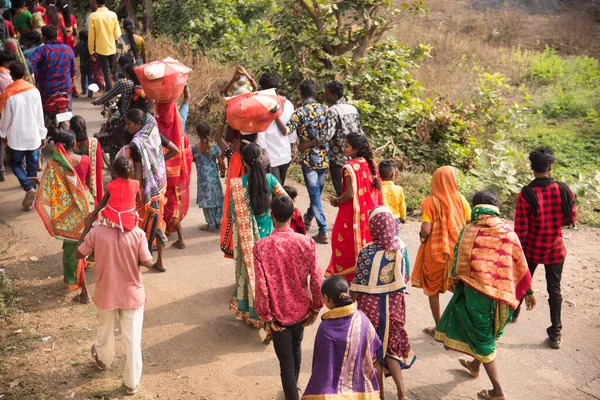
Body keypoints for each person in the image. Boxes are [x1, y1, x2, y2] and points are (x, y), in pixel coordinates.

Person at [435, 190, 537, 400]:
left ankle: (498, 391)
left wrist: (455, 285)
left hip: (477, 296)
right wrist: (529, 292)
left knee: (483, 340)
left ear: (475, 208)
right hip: (504, 298)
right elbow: (520, 263)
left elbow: (458, 264)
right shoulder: (508, 233)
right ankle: (474, 364)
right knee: (488, 334)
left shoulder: (469, 231)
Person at [75, 201, 153, 396]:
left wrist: (86, 227)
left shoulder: (97, 232)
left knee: (105, 330)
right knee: (132, 338)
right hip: (132, 295)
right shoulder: (137, 233)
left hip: (106, 293)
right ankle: (131, 383)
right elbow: (148, 263)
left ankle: (103, 360)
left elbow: (78, 253)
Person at [253, 195, 323, 400]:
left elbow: (261, 287)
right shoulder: (306, 242)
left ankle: (292, 391)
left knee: (286, 362)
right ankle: (294, 386)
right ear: (293, 215)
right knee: (296, 348)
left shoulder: (261, 247)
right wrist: (316, 307)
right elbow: (317, 279)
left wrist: (267, 316)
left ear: (271, 215)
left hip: (278, 316)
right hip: (301, 310)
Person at [513, 147, 576, 349]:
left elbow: (520, 231)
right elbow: (571, 218)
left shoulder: (525, 195)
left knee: (521, 281)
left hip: (531, 248)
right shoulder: (564, 189)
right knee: (554, 289)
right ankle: (556, 334)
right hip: (556, 249)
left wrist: (516, 254)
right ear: (550, 167)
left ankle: (512, 314)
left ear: (532, 168)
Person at [351, 206, 415, 400]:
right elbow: (407, 276)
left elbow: (357, 286)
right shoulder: (401, 248)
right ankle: (402, 393)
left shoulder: (365, 252)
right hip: (394, 309)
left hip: (370, 312)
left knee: (374, 352)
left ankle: (381, 396)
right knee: (392, 349)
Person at [229, 143, 287, 328]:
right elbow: (286, 201)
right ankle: (273, 312)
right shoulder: (270, 179)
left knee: (252, 274)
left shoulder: (238, 185)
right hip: (269, 234)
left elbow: (233, 214)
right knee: (270, 274)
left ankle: (254, 313)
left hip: (250, 241)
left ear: (244, 162)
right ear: (261, 159)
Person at [411, 166, 471, 335]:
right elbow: (469, 223)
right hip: (458, 253)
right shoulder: (462, 200)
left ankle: (440, 327)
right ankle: (462, 324)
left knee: (433, 290)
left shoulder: (428, 202)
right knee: (458, 289)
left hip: (436, 253)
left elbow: (426, 229)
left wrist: (422, 238)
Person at [34, 130, 93, 303]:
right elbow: (87, 186)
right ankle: (83, 285)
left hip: (68, 214)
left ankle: (83, 291)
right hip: (87, 207)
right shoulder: (86, 160)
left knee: (72, 249)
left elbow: (49, 191)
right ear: (74, 144)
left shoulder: (54, 165)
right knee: (86, 243)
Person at [302, 276, 381, 399]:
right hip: (363, 391)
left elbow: (322, 366)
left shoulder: (326, 328)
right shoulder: (363, 319)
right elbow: (372, 354)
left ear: (327, 299)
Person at [122, 108, 179, 272]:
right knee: (158, 221)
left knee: (139, 224)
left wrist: (135, 192)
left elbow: (139, 173)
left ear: (139, 124)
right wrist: (158, 164)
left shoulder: (137, 144)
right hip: (159, 186)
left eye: (129, 124)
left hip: (145, 190)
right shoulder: (154, 135)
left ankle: (138, 261)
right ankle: (160, 261)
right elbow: (174, 150)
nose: (127, 127)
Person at [325, 133, 382, 283]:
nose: (343, 149)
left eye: (346, 146)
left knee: (343, 245)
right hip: (370, 214)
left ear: (355, 149)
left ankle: (348, 281)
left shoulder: (349, 167)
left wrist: (336, 201)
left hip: (351, 214)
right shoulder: (372, 163)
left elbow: (350, 194)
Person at [286, 80, 329, 244]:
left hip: (309, 160)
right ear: (315, 93)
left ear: (301, 94)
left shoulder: (299, 112)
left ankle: (323, 230)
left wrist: (275, 117)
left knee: (315, 195)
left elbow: (287, 130)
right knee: (316, 193)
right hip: (324, 158)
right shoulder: (325, 110)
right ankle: (309, 218)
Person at [0, 61, 46, 207]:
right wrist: (42, 134)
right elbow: (40, 115)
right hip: (33, 137)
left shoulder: (9, 93)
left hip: (17, 138)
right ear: (25, 74)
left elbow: (6, 119)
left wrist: (2, 134)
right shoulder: (34, 91)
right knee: (32, 169)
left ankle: (28, 188)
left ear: (11, 75)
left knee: (15, 164)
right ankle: (31, 193)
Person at [155, 96, 193, 250]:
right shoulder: (179, 126)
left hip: (161, 173)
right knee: (173, 204)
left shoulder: (156, 125)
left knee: (160, 204)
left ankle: (162, 236)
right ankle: (180, 237)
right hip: (175, 173)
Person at [321, 80, 363, 197]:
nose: (325, 95)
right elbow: (360, 131)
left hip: (339, 158)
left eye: (327, 93)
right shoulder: (352, 108)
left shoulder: (333, 111)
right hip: (355, 156)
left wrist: (308, 143)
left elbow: (326, 136)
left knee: (342, 192)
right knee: (355, 190)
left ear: (334, 95)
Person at [256, 71, 296, 185]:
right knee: (280, 187)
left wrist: (262, 155)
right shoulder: (287, 103)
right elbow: (292, 132)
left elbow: (261, 133)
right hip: (285, 153)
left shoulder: (261, 104)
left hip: (269, 155)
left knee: (273, 189)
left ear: (262, 88)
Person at [215, 117, 246, 258]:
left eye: (236, 143)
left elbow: (217, 138)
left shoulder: (234, 158)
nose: (233, 145)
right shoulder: (259, 164)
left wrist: (224, 118)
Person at [192, 121, 225, 233]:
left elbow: (192, 159)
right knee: (217, 198)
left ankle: (211, 224)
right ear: (210, 132)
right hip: (213, 178)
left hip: (202, 180)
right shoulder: (214, 147)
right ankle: (217, 220)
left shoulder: (195, 148)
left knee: (206, 201)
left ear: (198, 134)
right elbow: (221, 162)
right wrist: (223, 171)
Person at [29, 25, 75, 102]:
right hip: (65, 88)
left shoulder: (41, 50)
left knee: (43, 112)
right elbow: (73, 71)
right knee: (69, 110)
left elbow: (30, 64)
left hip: (47, 90)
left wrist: (36, 77)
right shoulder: (68, 49)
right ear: (57, 36)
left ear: (44, 37)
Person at [92, 155, 139, 231]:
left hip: (112, 221)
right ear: (132, 171)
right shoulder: (136, 184)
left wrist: (94, 212)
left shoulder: (111, 184)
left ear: (115, 172)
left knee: (94, 226)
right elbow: (138, 200)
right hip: (129, 221)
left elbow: (102, 202)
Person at [87, 0, 120, 91]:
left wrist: (91, 51)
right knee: (113, 71)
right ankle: (117, 91)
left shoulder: (93, 16)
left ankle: (109, 93)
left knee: (106, 71)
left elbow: (91, 36)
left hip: (100, 49)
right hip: (112, 47)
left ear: (96, 3)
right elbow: (117, 34)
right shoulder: (113, 15)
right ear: (105, 2)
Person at [71, 115, 103, 204]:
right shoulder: (94, 143)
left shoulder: (69, 146)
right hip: (91, 187)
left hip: (74, 187)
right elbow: (99, 168)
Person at [379, 160, 407, 230]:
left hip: (380, 219)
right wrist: (403, 217)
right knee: (394, 239)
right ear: (392, 175)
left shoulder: (377, 189)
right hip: (394, 219)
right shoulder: (398, 189)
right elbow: (402, 205)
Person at [74, 29, 93, 97]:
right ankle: (90, 93)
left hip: (83, 63)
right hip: (90, 63)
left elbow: (75, 54)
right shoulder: (90, 43)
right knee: (90, 78)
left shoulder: (79, 44)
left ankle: (84, 90)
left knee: (83, 77)